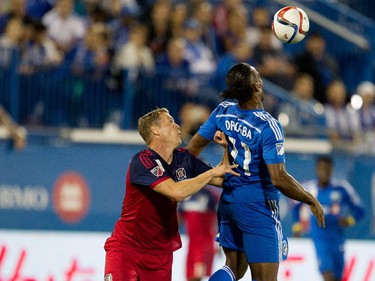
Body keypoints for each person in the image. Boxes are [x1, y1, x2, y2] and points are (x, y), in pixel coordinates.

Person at [185, 63, 325, 281]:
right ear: (257, 86)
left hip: (229, 201)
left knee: (232, 268)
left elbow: (192, 149)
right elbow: (278, 178)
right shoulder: (268, 126)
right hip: (258, 206)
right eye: (258, 76)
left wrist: (210, 175)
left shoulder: (223, 112)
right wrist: (310, 199)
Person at [104, 107, 239, 281]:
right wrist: (211, 173)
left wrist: (226, 148)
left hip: (160, 254)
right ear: (155, 130)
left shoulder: (183, 159)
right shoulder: (142, 161)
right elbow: (176, 192)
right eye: (170, 122)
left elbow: (222, 180)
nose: (177, 126)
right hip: (127, 249)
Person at [292, 156, 365, 281]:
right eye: (321, 168)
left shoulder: (342, 188)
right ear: (316, 170)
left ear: (332, 170)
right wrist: (297, 225)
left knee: (337, 277)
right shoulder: (309, 188)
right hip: (320, 238)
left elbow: (360, 210)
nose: (324, 172)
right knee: (328, 275)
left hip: (337, 238)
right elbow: (295, 206)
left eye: (327, 169)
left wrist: (350, 220)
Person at [178, 185, 220, 281]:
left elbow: (215, 221)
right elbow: (178, 220)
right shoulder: (185, 195)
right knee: (193, 274)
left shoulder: (210, 195)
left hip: (204, 245)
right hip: (194, 245)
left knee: (198, 274)